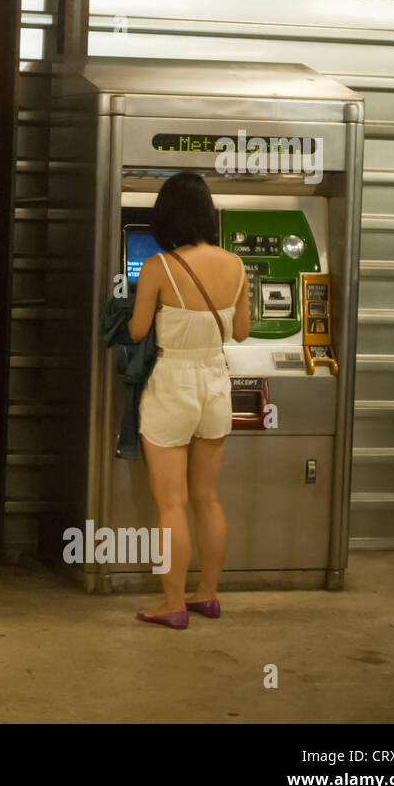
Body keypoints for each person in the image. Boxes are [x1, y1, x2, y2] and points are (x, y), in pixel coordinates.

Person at [127, 172, 250, 629]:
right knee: (206, 497)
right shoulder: (235, 265)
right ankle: (209, 594)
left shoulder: (159, 267)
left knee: (171, 503)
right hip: (216, 384)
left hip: (173, 383)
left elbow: (138, 330)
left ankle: (173, 603)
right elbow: (241, 332)